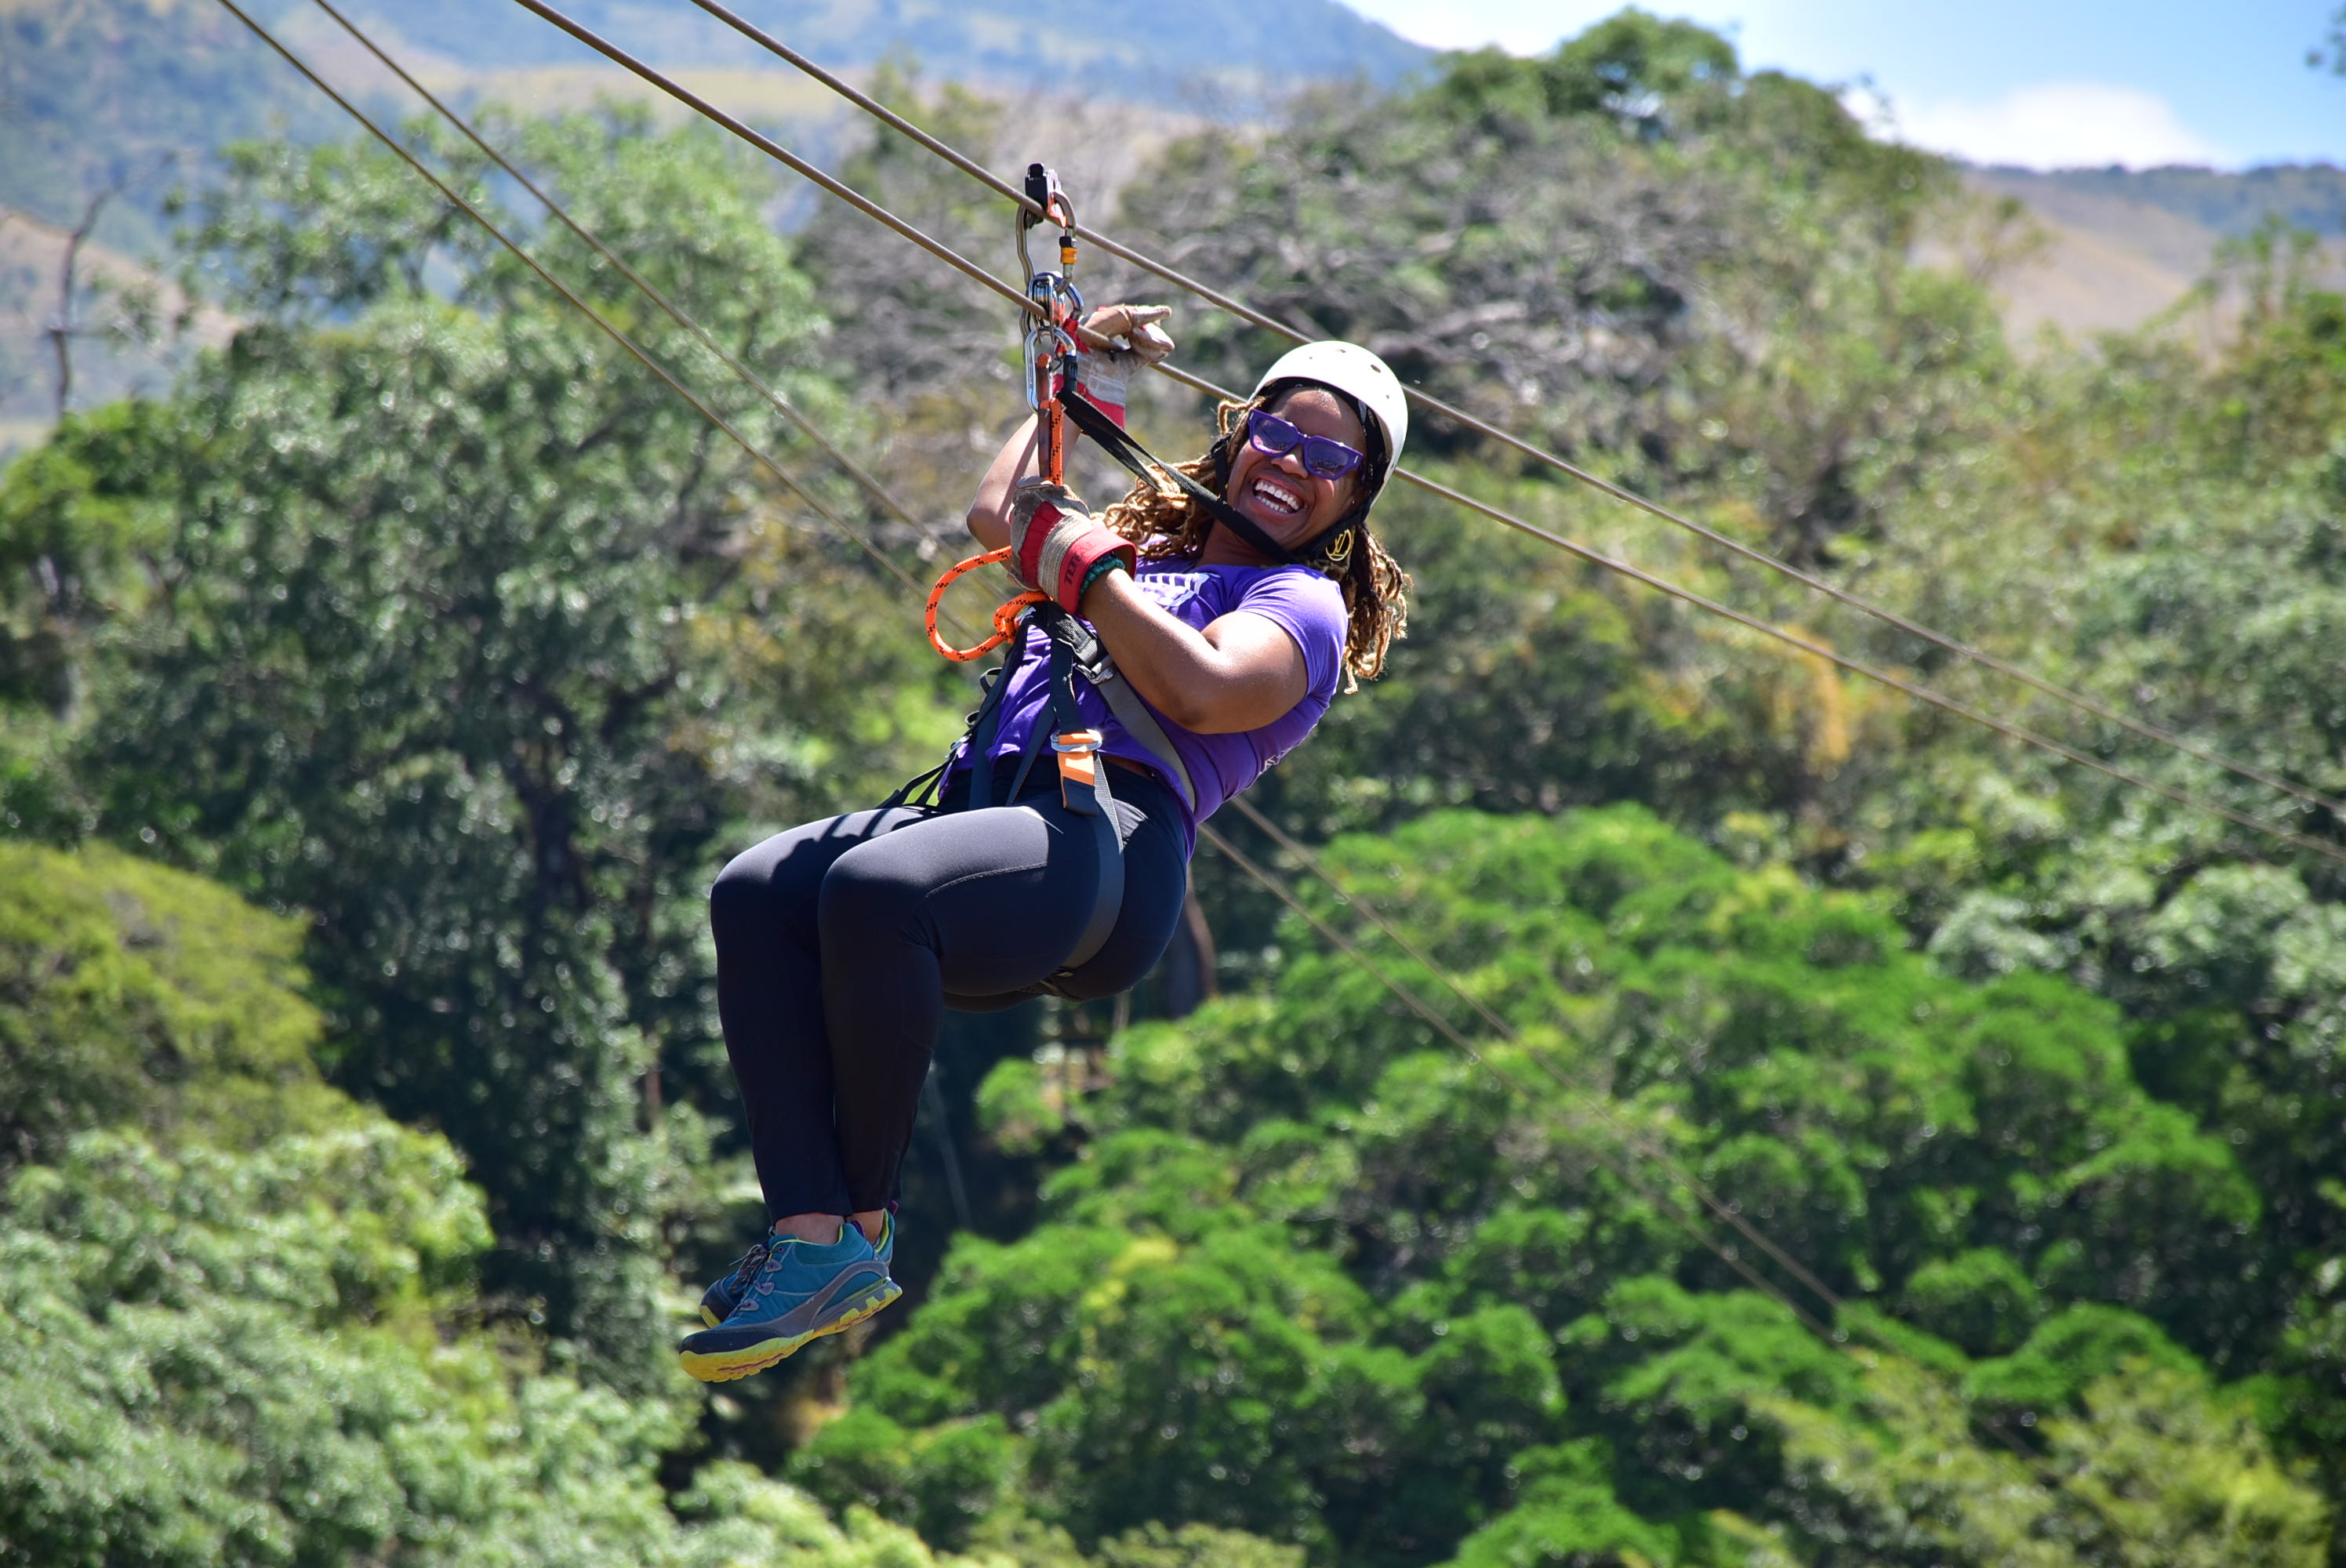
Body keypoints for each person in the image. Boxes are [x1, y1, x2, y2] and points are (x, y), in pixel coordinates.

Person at [677, 307, 1412, 1382]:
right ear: (1240, 430)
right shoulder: (1142, 548)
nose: (1292, 466)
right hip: (993, 812)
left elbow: (1201, 690)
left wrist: (1083, 568)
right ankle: (809, 1236)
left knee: (876, 888)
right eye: (1280, 434)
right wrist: (1081, 380)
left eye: (1329, 460)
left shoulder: (1298, 605)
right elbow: (1002, 512)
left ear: (1351, 499)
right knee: (756, 892)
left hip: (1104, 844)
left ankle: (862, 1236)